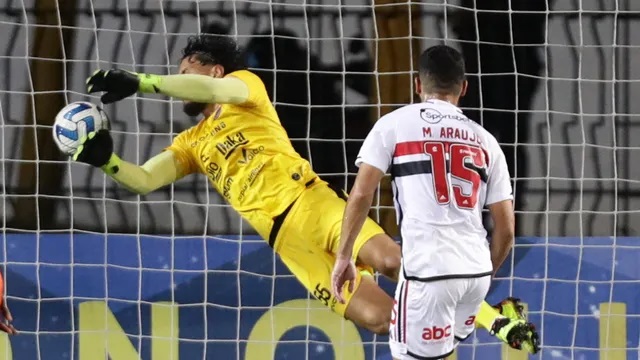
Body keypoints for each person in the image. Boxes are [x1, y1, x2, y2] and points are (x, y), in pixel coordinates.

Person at [75, 34, 538, 350]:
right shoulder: (190, 144)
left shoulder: (246, 88)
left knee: (395, 261)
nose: (180, 79)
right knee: (380, 319)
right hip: (287, 244)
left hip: (312, 203)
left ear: (214, 71)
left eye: (186, 70)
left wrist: (142, 82)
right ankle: (462, 325)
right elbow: (143, 180)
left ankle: (498, 320)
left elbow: (206, 87)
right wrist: (105, 159)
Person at [331, 44, 539, 359]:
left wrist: (344, 256)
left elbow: (361, 193)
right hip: (476, 275)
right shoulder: (487, 141)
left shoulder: (394, 123)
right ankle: (497, 319)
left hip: (428, 273)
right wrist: (484, 273)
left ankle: (499, 321)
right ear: (464, 87)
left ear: (417, 84)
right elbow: (506, 229)